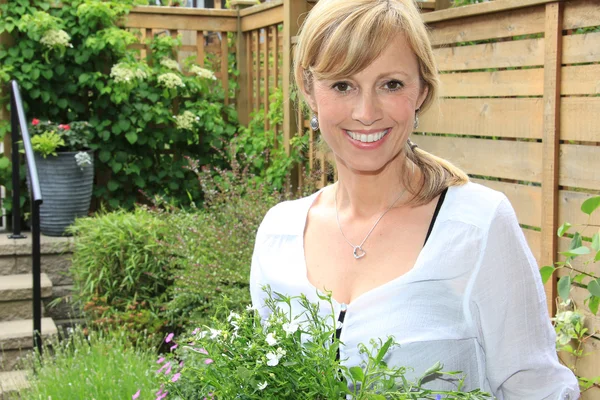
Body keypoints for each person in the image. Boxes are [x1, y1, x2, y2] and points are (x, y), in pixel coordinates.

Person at [250, 0, 580, 397]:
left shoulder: (476, 227)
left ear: (422, 90)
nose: (366, 112)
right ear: (308, 89)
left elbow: (537, 388)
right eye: (342, 84)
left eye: (391, 84)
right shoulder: (278, 235)